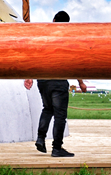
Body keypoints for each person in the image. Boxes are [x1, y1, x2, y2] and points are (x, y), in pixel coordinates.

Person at [23, 11, 87, 158]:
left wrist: (29, 75)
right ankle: (57, 148)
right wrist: (81, 82)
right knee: (59, 116)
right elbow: (73, 63)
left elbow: (34, 56)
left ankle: (40, 138)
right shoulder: (67, 40)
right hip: (58, 81)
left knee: (47, 109)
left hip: (43, 80)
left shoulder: (43, 38)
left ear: (53, 20)